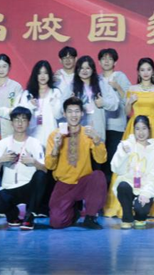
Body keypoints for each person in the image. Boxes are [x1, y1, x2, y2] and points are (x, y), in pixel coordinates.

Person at [45, 97, 108, 230]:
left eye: (77, 111)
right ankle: (74, 212)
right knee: (56, 222)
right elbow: (49, 166)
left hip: (83, 182)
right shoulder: (55, 135)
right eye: (70, 111)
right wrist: (56, 147)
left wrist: (97, 140)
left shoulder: (88, 133)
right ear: (64, 114)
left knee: (98, 176)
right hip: (64, 184)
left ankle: (90, 217)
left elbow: (101, 160)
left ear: (82, 113)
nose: (74, 115)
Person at [0, 107, 48, 230]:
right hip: (9, 188)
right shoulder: (3, 143)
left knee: (40, 175)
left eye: (23, 120)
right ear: (11, 122)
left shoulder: (35, 143)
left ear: (29, 122)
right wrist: (1, 160)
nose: (20, 123)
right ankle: (13, 216)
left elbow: (45, 170)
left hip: (28, 187)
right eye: (16, 119)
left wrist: (34, 162)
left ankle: (29, 216)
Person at [111, 116, 154, 229]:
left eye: (144, 128)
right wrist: (124, 154)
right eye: (137, 129)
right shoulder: (126, 145)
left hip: (144, 188)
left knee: (141, 209)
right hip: (129, 184)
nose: (141, 132)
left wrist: (146, 193)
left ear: (149, 129)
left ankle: (140, 217)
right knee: (123, 186)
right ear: (133, 130)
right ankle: (127, 217)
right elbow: (116, 169)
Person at [99, 48, 132, 184]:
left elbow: (129, 99)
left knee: (114, 161)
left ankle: (113, 193)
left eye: (110, 59)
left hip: (117, 126)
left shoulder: (120, 77)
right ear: (99, 62)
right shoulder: (97, 79)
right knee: (101, 162)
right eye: (103, 59)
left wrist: (118, 87)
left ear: (115, 62)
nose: (106, 61)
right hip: (100, 127)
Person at [18, 60, 64, 148]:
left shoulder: (55, 92)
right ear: (35, 75)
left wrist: (54, 103)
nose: (42, 76)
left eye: (45, 73)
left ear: (49, 74)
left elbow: (58, 116)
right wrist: (30, 106)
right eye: (39, 73)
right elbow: (22, 115)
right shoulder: (28, 93)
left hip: (51, 135)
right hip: (33, 135)